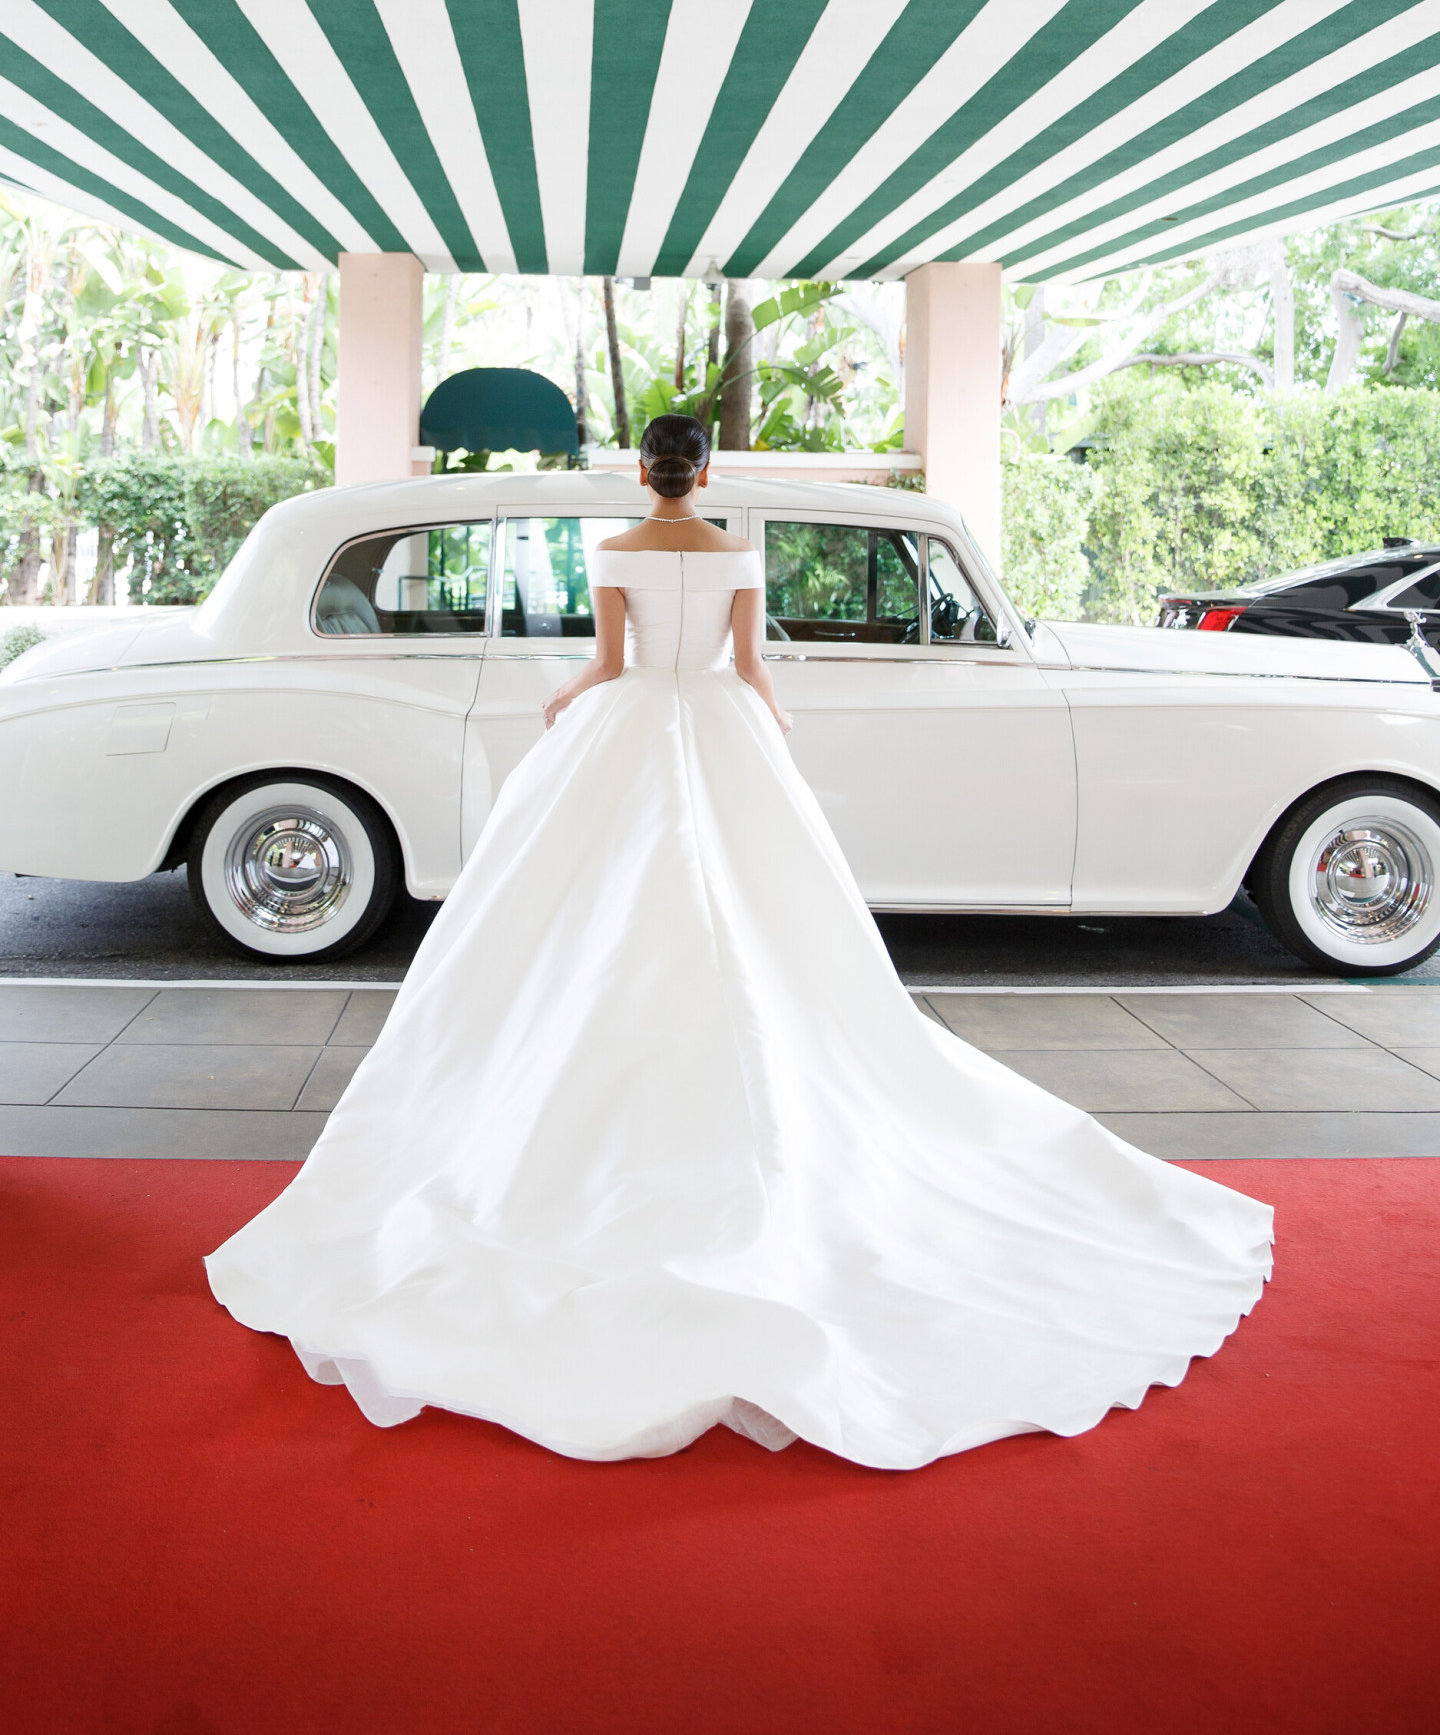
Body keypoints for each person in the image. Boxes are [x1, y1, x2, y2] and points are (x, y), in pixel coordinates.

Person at [207, 415, 1271, 1470]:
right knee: (761, 913)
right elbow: (754, 667)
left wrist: (564, 699)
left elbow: (615, 665)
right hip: (719, 728)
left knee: (597, 916)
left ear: (643, 472)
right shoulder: (738, 551)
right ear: (706, 473)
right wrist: (773, 725)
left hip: (632, 729)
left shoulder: (617, 549)